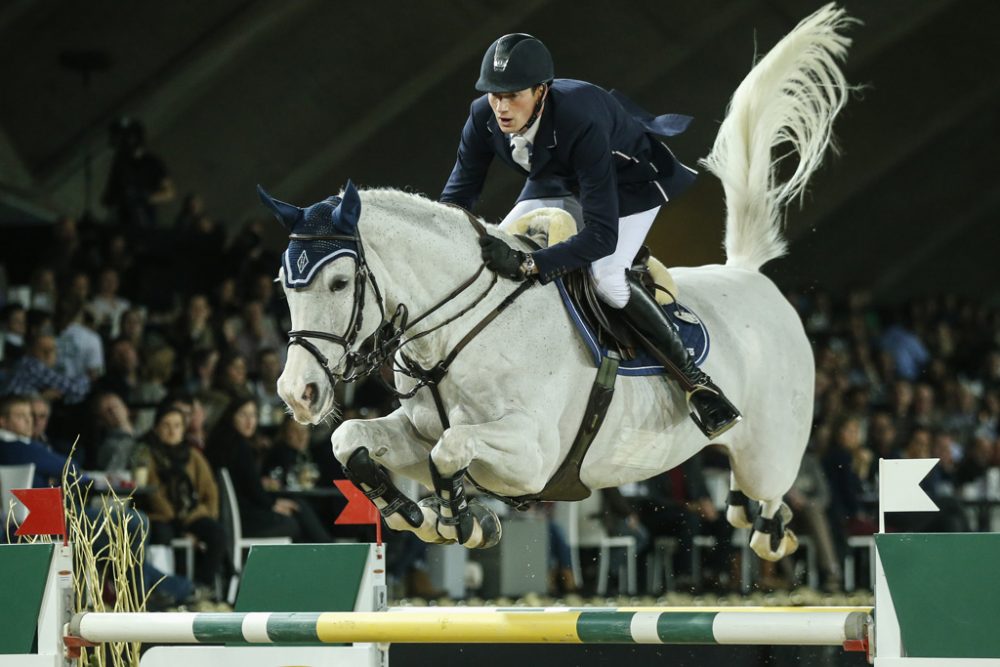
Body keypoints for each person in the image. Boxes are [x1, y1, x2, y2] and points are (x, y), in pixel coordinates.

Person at [440, 33, 739, 438]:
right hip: (558, 176)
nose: (502, 107)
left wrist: (531, 263)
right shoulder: (483, 115)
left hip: (629, 182)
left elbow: (601, 235)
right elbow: (456, 200)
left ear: (541, 90)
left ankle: (697, 382)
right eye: (494, 95)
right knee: (499, 244)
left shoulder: (579, 118)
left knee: (606, 278)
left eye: (513, 95)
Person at [205, 397, 332, 543]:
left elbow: (246, 484)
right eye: (243, 415)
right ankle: (330, 550)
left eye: (253, 415)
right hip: (242, 519)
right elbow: (253, 491)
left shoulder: (223, 442)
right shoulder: (240, 446)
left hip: (234, 516)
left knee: (298, 508)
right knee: (294, 520)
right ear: (231, 417)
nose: (249, 421)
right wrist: (272, 504)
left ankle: (328, 550)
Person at [135, 404, 225, 591]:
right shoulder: (148, 455)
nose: (171, 431)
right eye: (166, 425)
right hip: (161, 516)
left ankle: (201, 588)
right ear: (156, 428)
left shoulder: (192, 456)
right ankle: (166, 590)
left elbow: (210, 492)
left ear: (184, 429)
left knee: (216, 533)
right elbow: (154, 495)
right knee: (162, 533)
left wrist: (203, 514)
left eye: (177, 426)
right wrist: (180, 526)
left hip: (191, 514)